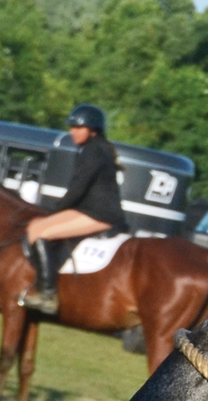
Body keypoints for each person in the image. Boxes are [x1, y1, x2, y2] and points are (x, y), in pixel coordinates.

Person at [19, 103, 129, 314]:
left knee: (42, 234)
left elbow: (77, 189)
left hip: (101, 215)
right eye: (72, 127)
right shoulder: (93, 148)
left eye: (79, 128)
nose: (73, 132)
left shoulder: (94, 151)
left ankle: (48, 296)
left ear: (92, 130)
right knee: (34, 227)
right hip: (89, 210)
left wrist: (54, 211)